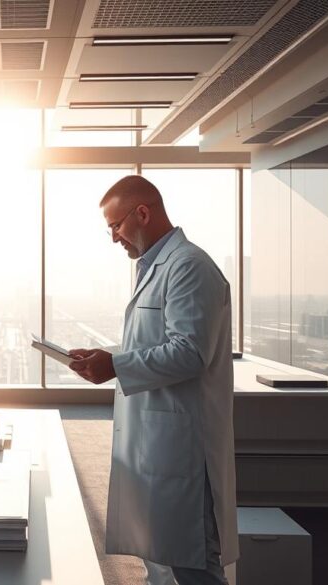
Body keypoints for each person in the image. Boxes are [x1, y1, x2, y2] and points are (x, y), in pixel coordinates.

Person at [68, 175, 237, 585]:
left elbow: (190, 352)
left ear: (142, 213)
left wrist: (116, 366)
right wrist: (109, 358)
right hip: (158, 447)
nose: (113, 238)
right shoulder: (159, 267)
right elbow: (154, 342)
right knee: (162, 563)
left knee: (191, 568)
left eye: (115, 225)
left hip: (183, 453)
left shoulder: (190, 267)